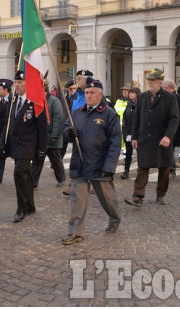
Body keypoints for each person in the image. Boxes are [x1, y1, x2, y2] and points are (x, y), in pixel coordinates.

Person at [62, 78, 121, 245]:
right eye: (86, 92)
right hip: (80, 163)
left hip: (100, 165)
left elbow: (115, 142)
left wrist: (110, 167)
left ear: (100, 95)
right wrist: (69, 133)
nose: (88, 96)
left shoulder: (109, 114)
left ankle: (115, 218)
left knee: (107, 200)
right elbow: (65, 128)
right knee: (77, 200)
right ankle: (76, 232)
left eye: (92, 93)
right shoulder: (77, 112)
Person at [124, 69, 179, 207]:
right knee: (142, 167)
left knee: (164, 168)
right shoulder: (142, 97)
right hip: (145, 138)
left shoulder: (169, 98)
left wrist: (168, 136)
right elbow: (137, 118)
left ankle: (160, 194)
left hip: (162, 139)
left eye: (152, 80)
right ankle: (138, 196)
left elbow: (174, 119)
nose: (149, 82)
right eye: (148, 80)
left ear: (159, 82)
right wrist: (134, 136)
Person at [0, 70, 48, 222]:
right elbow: (8, 122)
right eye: (16, 82)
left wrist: (42, 149)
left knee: (19, 174)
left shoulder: (35, 102)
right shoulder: (14, 100)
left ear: (29, 84)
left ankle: (21, 209)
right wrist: (3, 139)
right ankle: (30, 206)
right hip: (15, 144)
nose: (17, 85)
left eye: (20, 82)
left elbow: (42, 128)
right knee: (25, 176)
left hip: (28, 145)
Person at [32, 82, 66, 188]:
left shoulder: (54, 101)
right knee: (37, 161)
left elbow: (58, 119)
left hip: (52, 138)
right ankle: (33, 181)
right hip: (41, 138)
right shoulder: (37, 101)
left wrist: (55, 136)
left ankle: (61, 179)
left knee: (56, 161)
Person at [162, 80, 180, 177]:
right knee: (166, 150)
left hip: (175, 128)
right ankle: (169, 169)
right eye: (164, 88)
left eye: (166, 88)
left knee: (170, 149)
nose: (164, 89)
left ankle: (172, 169)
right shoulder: (162, 98)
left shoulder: (179, 99)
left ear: (172, 89)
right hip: (164, 128)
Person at [120, 87, 140, 179]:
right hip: (128, 133)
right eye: (130, 93)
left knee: (140, 153)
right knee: (128, 153)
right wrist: (125, 131)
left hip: (138, 133)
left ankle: (141, 171)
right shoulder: (129, 104)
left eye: (133, 93)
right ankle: (126, 170)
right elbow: (125, 118)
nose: (130, 94)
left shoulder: (140, 105)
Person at [114, 84, 130, 155]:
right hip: (118, 126)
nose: (124, 92)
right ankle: (125, 157)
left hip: (127, 126)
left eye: (126, 90)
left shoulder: (131, 102)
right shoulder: (118, 101)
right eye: (123, 90)